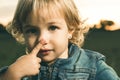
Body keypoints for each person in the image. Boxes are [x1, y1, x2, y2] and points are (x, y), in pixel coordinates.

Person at [0, 0, 119, 80]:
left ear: (70, 29)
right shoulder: (20, 69)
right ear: (22, 32)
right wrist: (11, 75)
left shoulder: (93, 66)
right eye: (32, 30)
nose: (42, 39)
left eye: (53, 27)